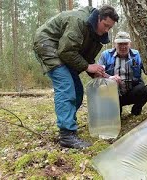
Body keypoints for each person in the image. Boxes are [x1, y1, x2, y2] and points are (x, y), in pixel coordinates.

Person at [33, 5, 119, 149]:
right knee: (66, 86)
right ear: (98, 18)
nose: (106, 30)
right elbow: (66, 51)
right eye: (105, 25)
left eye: (109, 28)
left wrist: (101, 75)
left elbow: (87, 60)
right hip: (47, 44)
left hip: (65, 52)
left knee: (78, 91)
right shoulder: (78, 21)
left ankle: (68, 125)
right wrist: (87, 67)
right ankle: (67, 134)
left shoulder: (96, 37)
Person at [98, 31, 147, 116]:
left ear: (130, 44)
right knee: (115, 116)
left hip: (131, 92)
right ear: (115, 44)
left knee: (144, 90)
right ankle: (116, 110)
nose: (123, 47)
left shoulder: (137, 55)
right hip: (113, 95)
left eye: (125, 43)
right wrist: (110, 78)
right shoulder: (105, 55)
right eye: (120, 44)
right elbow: (98, 74)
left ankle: (136, 111)